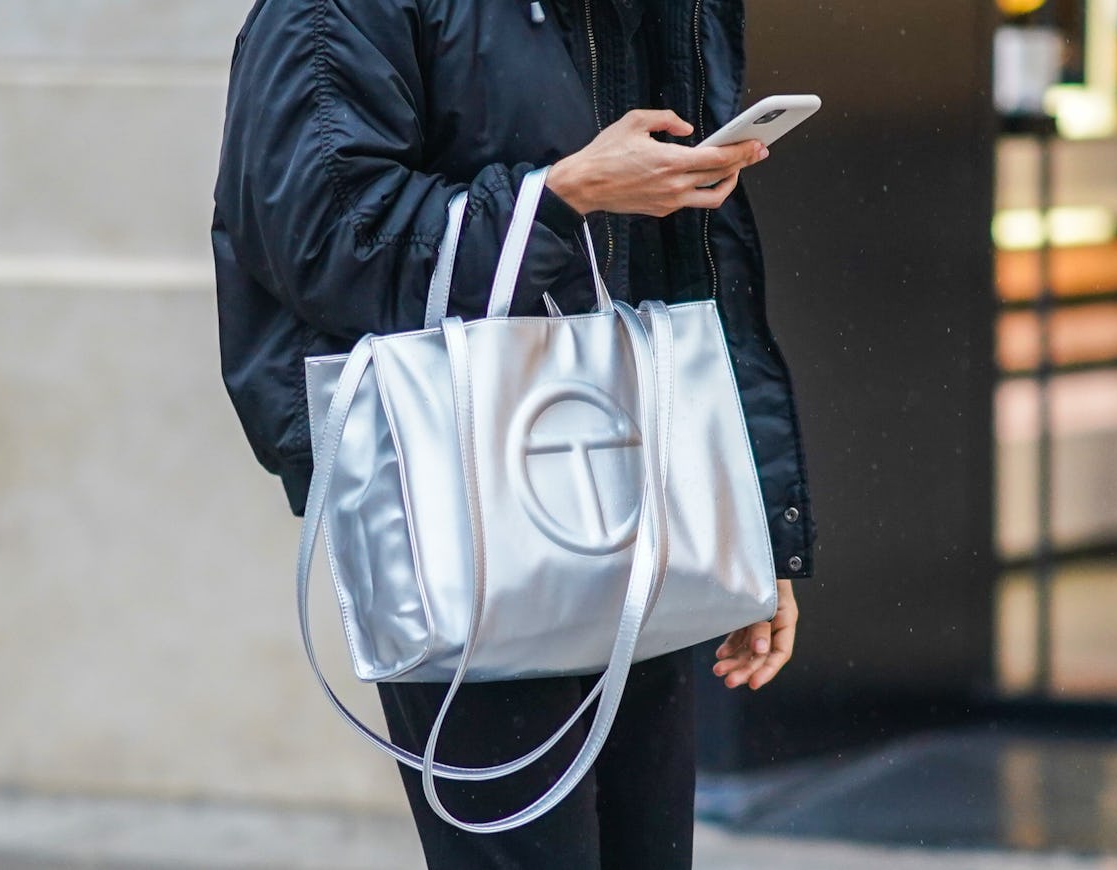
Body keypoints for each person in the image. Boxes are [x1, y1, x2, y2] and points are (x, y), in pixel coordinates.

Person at [212, 1, 816, 866]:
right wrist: (559, 199)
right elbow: (321, 242)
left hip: (638, 503)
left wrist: (749, 528)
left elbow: (686, 279)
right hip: (452, 511)